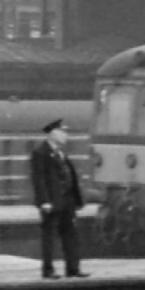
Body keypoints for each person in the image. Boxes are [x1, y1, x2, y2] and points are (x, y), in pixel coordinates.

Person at [30, 118, 90, 279]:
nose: (66, 135)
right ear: (52, 133)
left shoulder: (61, 153)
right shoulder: (40, 153)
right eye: (63, 132)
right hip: (52, 201)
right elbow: (39, 179)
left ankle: (73, 268)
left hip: (67, 201)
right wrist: (44, 201)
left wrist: (76, 200)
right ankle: (48, 270)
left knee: (70, 234)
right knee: (49, 236)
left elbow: (69, 175)